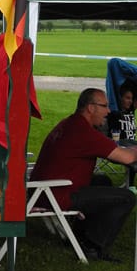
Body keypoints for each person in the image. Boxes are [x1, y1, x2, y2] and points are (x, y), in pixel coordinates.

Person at [31, 87, 137, 261]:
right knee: (127, 197)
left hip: (44, 190)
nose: (108, 111)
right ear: (91, 108)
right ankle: (94, 246)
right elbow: (127, 158)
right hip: (57, 195)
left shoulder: (70, 123)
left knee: (103, 181)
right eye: (104, 106)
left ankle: (82, 236)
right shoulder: (83, 132)